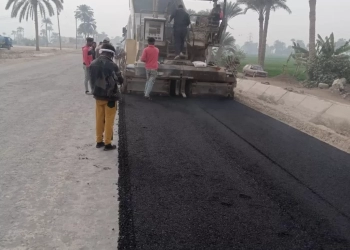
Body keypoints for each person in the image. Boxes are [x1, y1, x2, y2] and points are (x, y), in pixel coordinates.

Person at [89, 43, 124, 151]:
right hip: (110, 98)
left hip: (98, 96)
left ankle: (99, 141)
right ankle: (108, 143)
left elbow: (91, 79)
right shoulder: (112, 65)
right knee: (109, 120)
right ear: (111, 53)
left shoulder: (93, 63)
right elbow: (120, 81)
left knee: (99, 119)